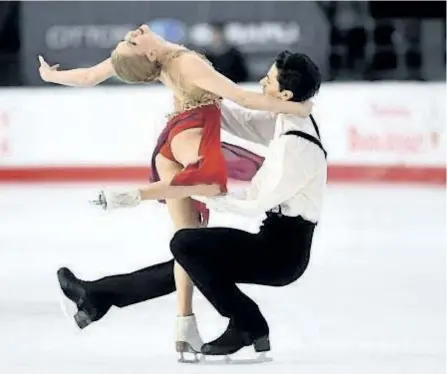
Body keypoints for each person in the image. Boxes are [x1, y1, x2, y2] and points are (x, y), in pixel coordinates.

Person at [39, 24, 312, 356]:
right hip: (193, 133)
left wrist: (52, 76)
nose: (133, 33)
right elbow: (240, 96)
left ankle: (150, 315)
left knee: (188, 247)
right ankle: (163, 315)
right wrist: (298, 108)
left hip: (173, 136)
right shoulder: (185, 64)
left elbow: (88, 77)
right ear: (149, 53)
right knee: (189, 245)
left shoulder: (149, 58)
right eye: (131, 40)